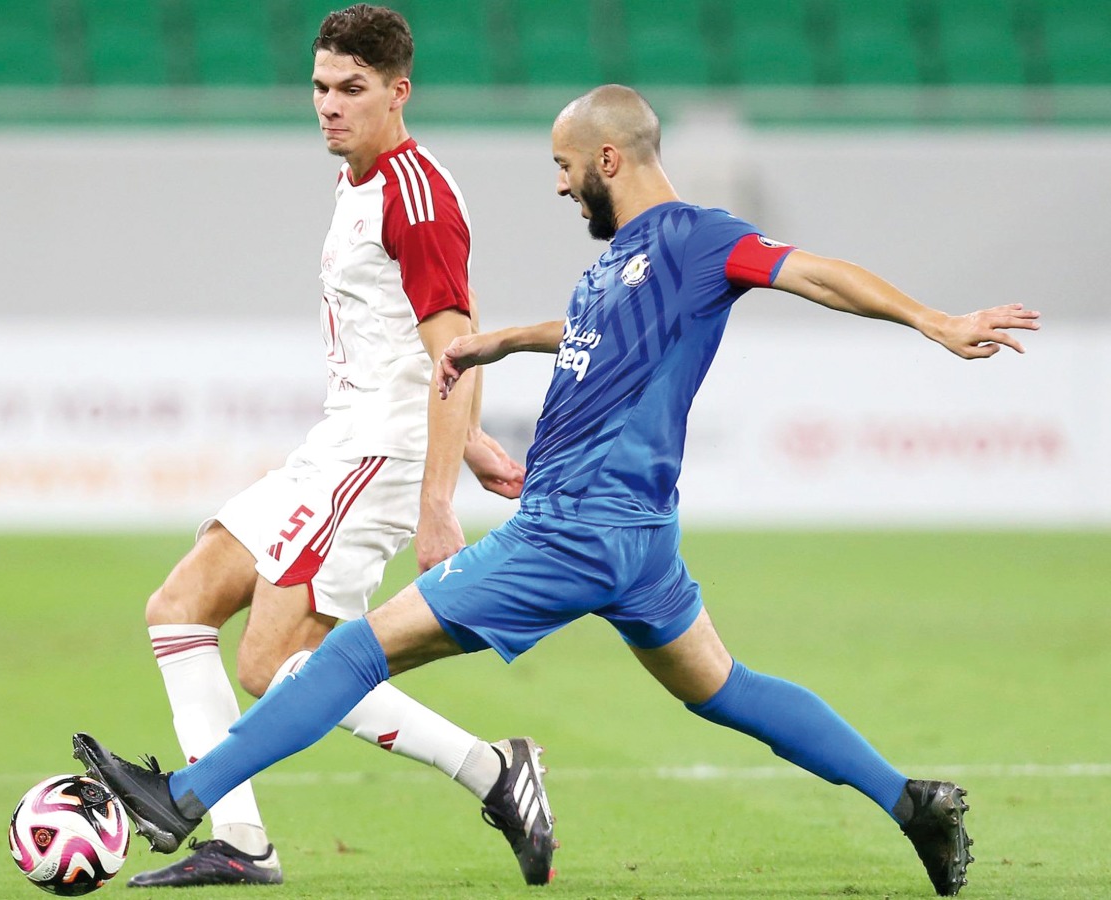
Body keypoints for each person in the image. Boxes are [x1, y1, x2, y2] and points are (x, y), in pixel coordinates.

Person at [74, 84, 1040, 896]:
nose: (559, 183)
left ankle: (189, 800)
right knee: (724, 689)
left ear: (609, 159)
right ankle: (915, 804)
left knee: (353, 652)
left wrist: (931, 320)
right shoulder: (616, 266)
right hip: (639, 540)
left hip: (568, 534)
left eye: (563, 166)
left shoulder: (704, 240)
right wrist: (504, 339)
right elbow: (591, 338)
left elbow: (813, 273)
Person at [122, 4, 555, 889]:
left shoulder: (416, 196)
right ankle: (238, 840)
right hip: (338, 441)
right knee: (179, 605)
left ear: (398, 92)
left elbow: (459, 347)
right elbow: (416, 345)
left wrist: (439, 497)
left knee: (274, 664)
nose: (329, 105)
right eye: (320, 86)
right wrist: (473, 442)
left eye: (351, 89)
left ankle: (490, 770)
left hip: (380, 458)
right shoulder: (359, 180)